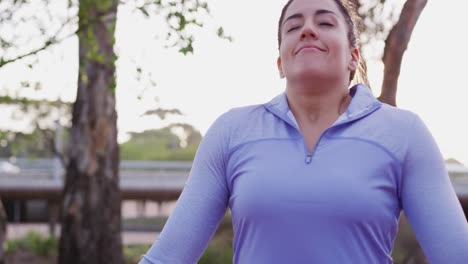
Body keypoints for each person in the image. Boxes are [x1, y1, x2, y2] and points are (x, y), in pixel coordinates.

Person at [140, 0, 468, 263]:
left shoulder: (405, 132)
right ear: (280, 62)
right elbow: (167, 258)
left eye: (324, 22)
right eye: (293, 26)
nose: (307, 30)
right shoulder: (231, 131)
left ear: (353, 58)